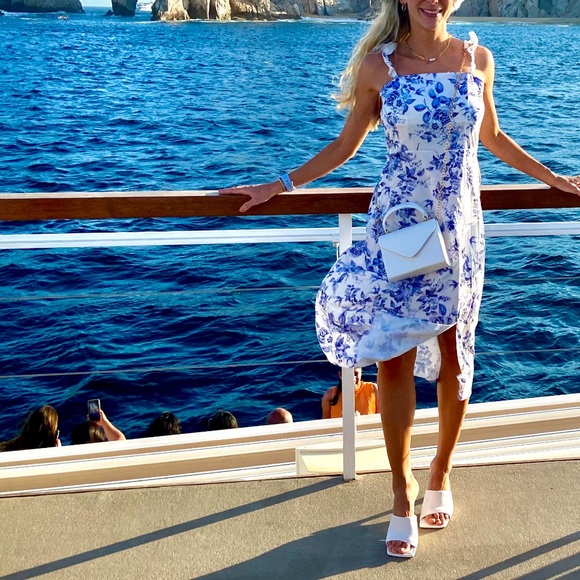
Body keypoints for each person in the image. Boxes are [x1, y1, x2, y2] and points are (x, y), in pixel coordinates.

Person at [220, 0, 580, 559]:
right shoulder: (379, 66)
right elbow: (345, 146)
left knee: (456, 354)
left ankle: (440, 471)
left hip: (459, 229)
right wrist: (280, 184)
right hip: (403, 227)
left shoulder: (477, 59)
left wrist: (553, 177)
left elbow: (493, 136)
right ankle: (400, 490)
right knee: (393, 357)